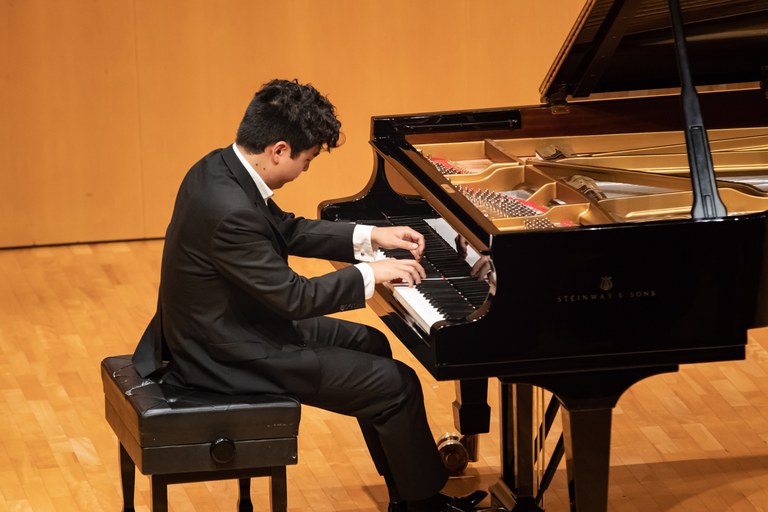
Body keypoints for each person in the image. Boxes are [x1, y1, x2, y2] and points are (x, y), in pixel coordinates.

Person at [132, 79, 486, 512]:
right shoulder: (232, 212)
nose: (305, 170)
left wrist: (371, 236)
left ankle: (405, 494)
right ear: (279, 150)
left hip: (229, 324)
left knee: (372, 343)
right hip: (223, 355)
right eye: (307, 159)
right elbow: (294, 298)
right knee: (397, 385)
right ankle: (422, 505)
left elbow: (286, 229)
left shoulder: (218, 168)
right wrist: (371, 273)